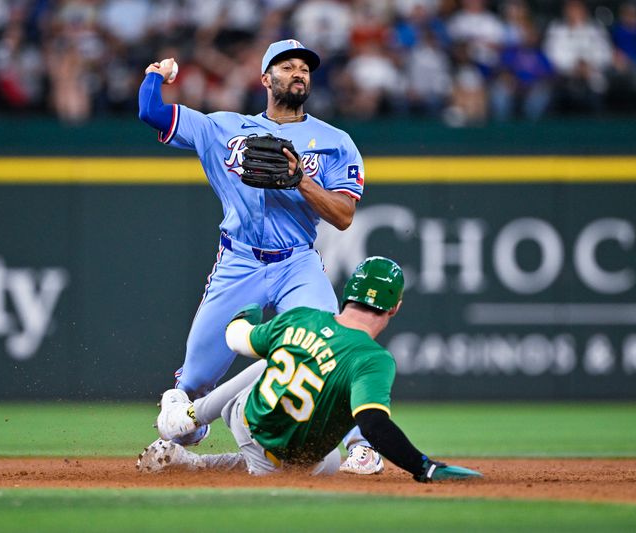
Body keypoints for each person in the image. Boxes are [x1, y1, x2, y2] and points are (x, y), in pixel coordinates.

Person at [137, 39, 379, 474]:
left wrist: (301, 181)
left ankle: (361, 445)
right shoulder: (222, 127)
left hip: (297, 264)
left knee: (331, 352)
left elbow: (344, 216)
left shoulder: (335, 141)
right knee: (191, 386)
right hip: (238, 262)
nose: (298, 73)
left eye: (304, 68)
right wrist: (157, 73)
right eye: (286, 67)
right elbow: (151, 112)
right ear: (266, 79)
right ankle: (192, 435)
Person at [136, 257, 483, 483]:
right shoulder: (373, 359)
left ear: (347, 293)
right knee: (331, 446)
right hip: (284, 460)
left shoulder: (303, 317)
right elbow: (374, 425)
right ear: (394, 308)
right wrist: (423, 467)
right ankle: (190, 420)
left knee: (270, 364)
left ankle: (190, 426)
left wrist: (247, 314)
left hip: (244, 417)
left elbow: (237, 339)